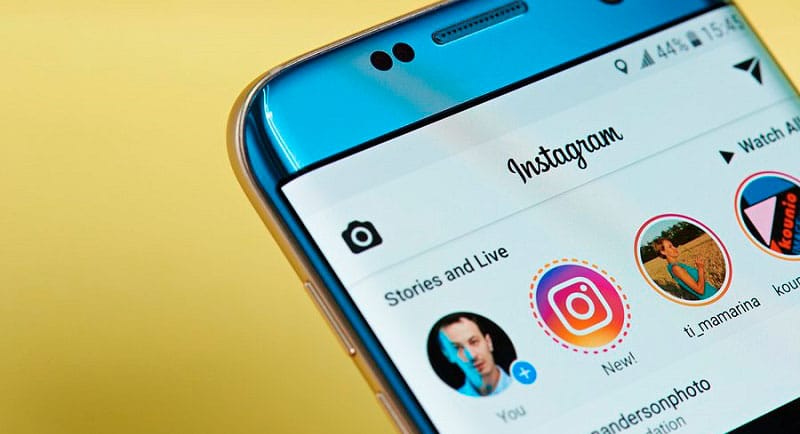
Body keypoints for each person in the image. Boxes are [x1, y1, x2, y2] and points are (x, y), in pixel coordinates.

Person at [436, 314, 511, 397]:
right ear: (448, 355)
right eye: (457, 348)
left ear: (488, 342)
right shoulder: (452, 401)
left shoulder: (520, 387)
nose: (472, 355)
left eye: (474, 342)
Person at [652, 237, 718, 300]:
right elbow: (700, 290)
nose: (675, 248)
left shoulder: (678, 266)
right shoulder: (676, 268)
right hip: (709, 296)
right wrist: (700, 268)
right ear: (663, 252)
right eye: (670, 247)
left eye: (673, 245)